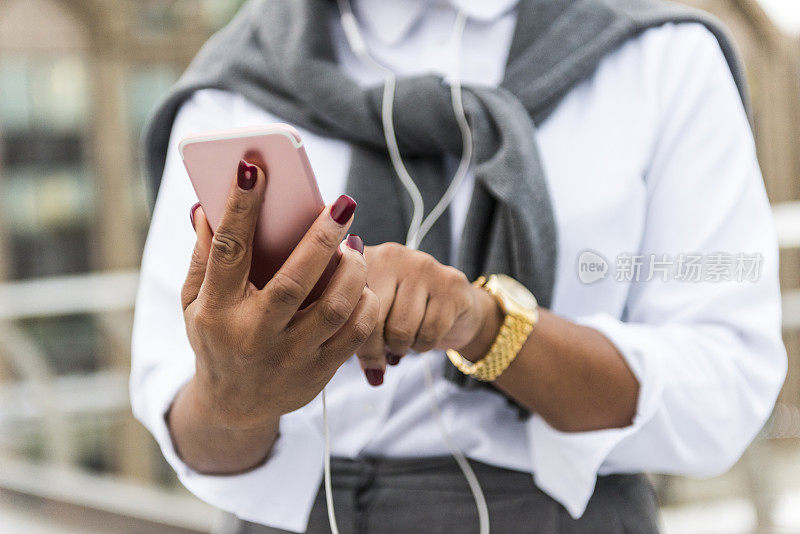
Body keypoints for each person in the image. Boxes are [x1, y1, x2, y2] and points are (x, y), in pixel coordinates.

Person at [131, 0, 787, 532]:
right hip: (303, 517)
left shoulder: (658, 57)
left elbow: (724, 389)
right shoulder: (233, 81)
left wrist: (482, 325)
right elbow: (187, 427)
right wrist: (234, 394)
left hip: (559, 519)